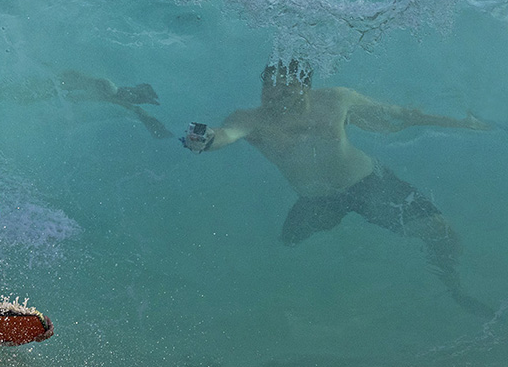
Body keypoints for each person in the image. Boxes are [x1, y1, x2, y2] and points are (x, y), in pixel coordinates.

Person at [182, 59, 494, 318]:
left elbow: (397, 116)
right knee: (286, 247)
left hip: (369, 183)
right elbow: (225, 134)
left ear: (302, 86)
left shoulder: (336, 99)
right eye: (267, 85)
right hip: (317, 200)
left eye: (281, 86)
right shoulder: (251, 120)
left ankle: (455, 289)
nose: (271, 94)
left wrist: (461, 123)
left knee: (443, 232)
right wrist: (204, 139)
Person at [58, 69, 173, 139]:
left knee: (131, 104)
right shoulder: (86, 82)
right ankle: (147, 98)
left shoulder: (92, 87)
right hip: (109, 87)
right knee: (129, 99)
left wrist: (73, 98)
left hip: (107, 89)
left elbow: (87, 96)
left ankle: (156, 125)